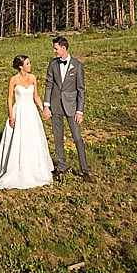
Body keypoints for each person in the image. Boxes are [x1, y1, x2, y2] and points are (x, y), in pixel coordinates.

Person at [0, 55, 54, 189]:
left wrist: (44, 109)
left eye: (30, 63)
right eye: (27, 64)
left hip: (31, 113)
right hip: (19, 112)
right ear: (20, 66)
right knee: (18, 139)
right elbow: (10, 99)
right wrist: (11, 116)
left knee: (32, 139)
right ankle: (15, 168)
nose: (30, 65)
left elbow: (36, 96)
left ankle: (34, 168)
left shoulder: (33, 78)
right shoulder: (14, 79)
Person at [43, 36, 90, 181]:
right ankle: (61, 167)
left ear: (64, 48)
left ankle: (84, 170)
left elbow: (81, 90)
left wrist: (79, 111)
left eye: (56, 48)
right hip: (56, 105)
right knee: (58, 138)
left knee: (77, 138)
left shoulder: (77, 65)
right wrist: (46, 105)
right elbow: (49, 84)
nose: (54, 51)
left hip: (72, 107)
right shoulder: (52, 64)